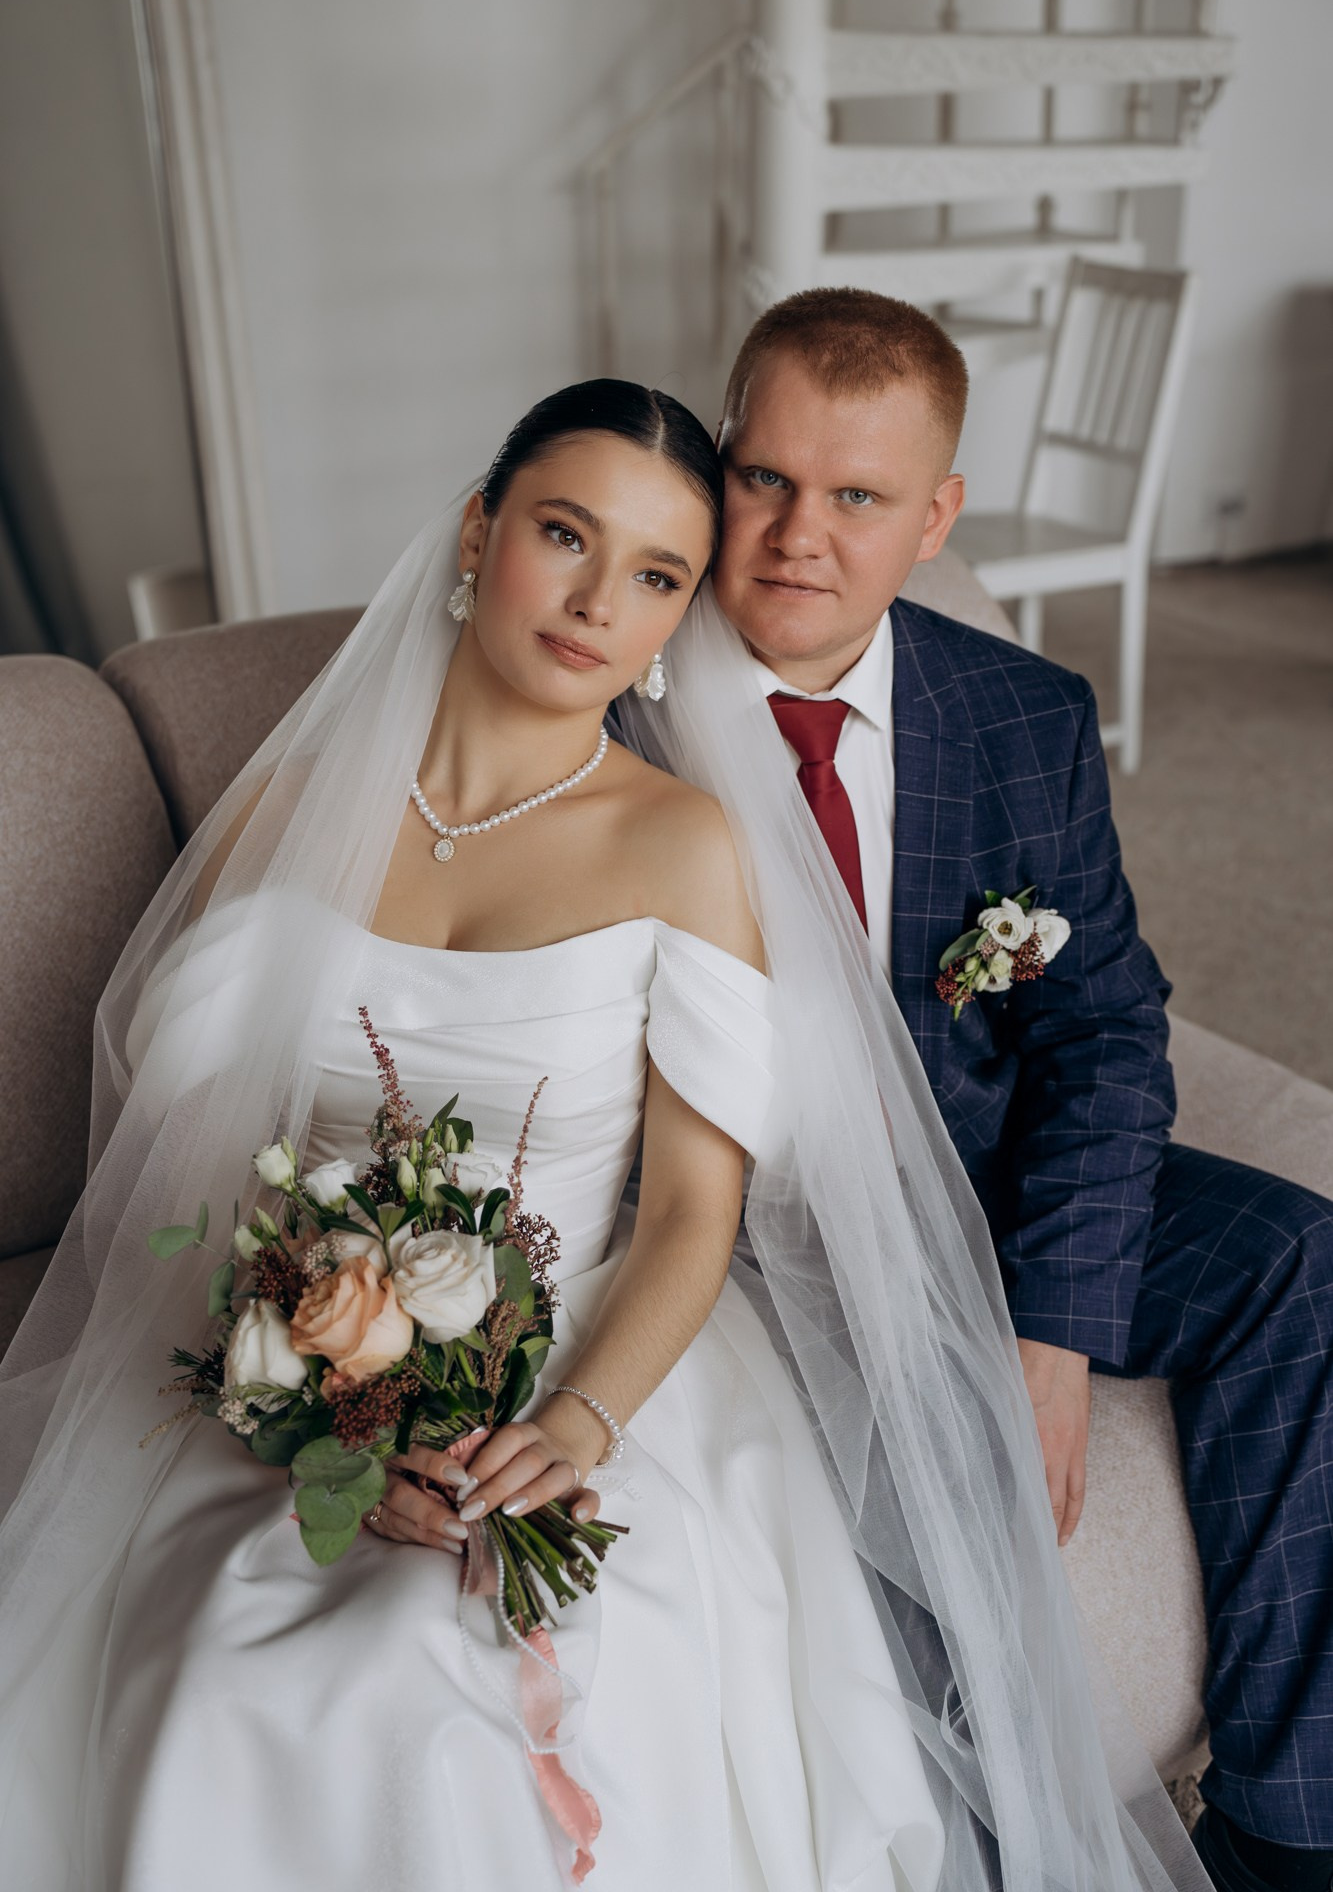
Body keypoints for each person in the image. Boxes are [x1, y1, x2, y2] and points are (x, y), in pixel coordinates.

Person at [0, 379, 1206, 1892]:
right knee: (248, 1677)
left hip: (585, 1361)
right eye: (565, 536)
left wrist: (575, 1426)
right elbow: (195, 1176)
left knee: (436, 1685)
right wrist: (322, 1416)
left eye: (656, 575)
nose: (595, 604)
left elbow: (696, 1210)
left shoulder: (682, 844)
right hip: (290, 1355)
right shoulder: (278, 821)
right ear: (477, 532)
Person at [699, 287, 1333, 1892]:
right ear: (716, 465)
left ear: (934, 521)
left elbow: (1104, 1034)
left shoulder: (1019, 715)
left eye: (856, 495)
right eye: (765, 477)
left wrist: (1054, 1331)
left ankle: (1282, 1834)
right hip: (745, 1235)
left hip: (976, 1176)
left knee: (1301, 1261)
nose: (797, 535)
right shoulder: (619, 706)